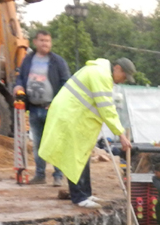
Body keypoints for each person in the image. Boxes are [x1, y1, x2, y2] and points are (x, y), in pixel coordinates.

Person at [39, 57, 135, 209]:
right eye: (124, 76)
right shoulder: (101, 76)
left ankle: (86, 193)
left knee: (82, 156)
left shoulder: (100, 73)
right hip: (70, 116)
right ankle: (79, 197)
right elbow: (107, 108)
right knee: (75, 157)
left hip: (76, 117)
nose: (123, 81)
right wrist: (121, 134)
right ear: (117, 68)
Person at [15, 31, 70, 187]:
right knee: (38, 144)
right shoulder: (28, 60)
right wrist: (18, 86)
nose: (45, 43)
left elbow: (66, 83)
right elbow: (20, 77)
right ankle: (40, 175)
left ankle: (58, 175)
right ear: (35, 42)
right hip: (33, 108)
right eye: (42, 40)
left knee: (55, 143)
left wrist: (57, 102)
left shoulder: (57, 62)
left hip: (52, 109)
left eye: (47, 41)